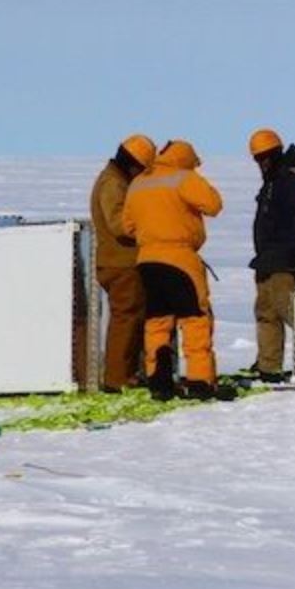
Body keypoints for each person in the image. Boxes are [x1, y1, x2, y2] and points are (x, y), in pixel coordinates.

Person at [121, 139, 234, 401]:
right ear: (187, 160)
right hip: (180, 258)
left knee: (157, 322)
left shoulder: (139, 183)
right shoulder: (184, 178)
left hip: (147, 261)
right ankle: (200, 381)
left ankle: (158, 381)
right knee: (195, 320)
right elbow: (214, 204)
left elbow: (127, 226)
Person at [88, 134, 156, 391]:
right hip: (120, 263)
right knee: (126, 320)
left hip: (120, 262)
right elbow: (119, 224)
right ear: (133, 164)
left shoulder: (114, 180)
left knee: (131, 319)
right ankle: (117, 378)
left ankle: (126, 373)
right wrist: (151, 227)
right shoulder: (113, 184)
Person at [247, 127, 295, 380]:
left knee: (288, 309)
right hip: (267, 257)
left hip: (283, 258)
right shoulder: (274, 181)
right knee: (266, 311)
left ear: (276, 153)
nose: (261, 162)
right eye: (257, 158)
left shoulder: (291, 181)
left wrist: (294, 255)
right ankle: (268, 365)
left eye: (265, 156)